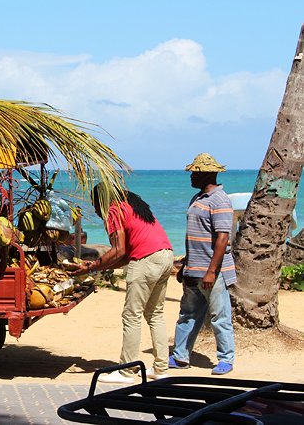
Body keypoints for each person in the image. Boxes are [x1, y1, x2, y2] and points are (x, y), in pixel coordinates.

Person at [69, 184, 174, 384]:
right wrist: (98, 267)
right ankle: (161, 368)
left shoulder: (114, 210)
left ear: (100, 201)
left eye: (95, 205)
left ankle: (127, 371)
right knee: (155, 314)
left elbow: (118, 250)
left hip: (147, 259)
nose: (97, 211)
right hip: (165, 254)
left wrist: (91, 268)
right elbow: (126, 253)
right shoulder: (132, 206)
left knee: (131, 315)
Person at [170, 153, 236, 375]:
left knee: (219, 315)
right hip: (193, 269)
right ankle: (180, 356)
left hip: (212, 272)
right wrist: (185, 265)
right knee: (187, 314)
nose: (190, 177)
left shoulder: (220, 200)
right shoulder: (198, 198)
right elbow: (194, 235)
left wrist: (211, 272)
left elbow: (222, 238)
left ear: (207, 174)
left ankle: (226, 359)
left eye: (194, 173)